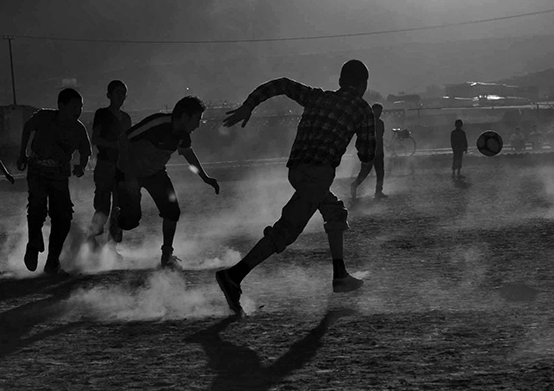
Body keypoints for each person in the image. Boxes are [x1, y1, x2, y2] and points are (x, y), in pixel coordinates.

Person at [215, 60, 376, 317]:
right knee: (285, 232)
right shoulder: (361, 108)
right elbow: (367, 153)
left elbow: (282, 84)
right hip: (319, 173)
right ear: (362, 84)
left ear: (340, 81)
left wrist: (249, 105)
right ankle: (234, 275)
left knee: (334, 213)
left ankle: (339, 275)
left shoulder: (317, 97)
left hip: (297, 170)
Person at [114, 96, 220, 270]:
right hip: (129, 172)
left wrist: (205, 178)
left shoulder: (183, 136)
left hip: (155, 173)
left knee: (172, 211)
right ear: (185, 117)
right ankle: (116, 220)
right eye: (197, 119)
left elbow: (188, 155)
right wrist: (129, 176)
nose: (198, 125)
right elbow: (123, 139)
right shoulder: (158, 122)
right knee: (130, 221)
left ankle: (166, 255)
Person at [17, 88, 92, 274]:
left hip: (59, 174)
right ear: (61, 106)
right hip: (37, 170)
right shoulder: (44, 117)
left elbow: (86, 151)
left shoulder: (78, 128)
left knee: (63, 217)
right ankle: (33, 244)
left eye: (80, 107)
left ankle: (52, 261)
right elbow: (27, 127)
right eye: (74, 106)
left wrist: (81, 166)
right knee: (36, 208)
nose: (78, 111)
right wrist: (22, 153)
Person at [87, 80, 132, 245]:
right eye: (118, 93)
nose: (121, 97)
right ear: (109, 95)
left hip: (120, 166)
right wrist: (116, 145)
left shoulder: (126, 118)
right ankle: (92, 240)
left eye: (123, 94)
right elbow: (95, 138)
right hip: (106, 164)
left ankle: (112, 246)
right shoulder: (102, 114)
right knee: (103, 207)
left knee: (119, 207)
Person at [350, 102, 386, 200]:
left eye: (380, 112)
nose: (379, 113)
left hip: (376, 152)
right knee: (365, 172)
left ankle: (378, 191)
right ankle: (355, 185)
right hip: (370, 152)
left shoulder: (377, 123)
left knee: (379, 172)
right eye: (377, 111)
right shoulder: (372, 123)